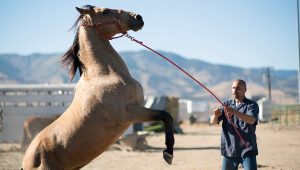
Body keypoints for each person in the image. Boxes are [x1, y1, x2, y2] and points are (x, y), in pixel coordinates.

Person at [210, 79, 259, 170]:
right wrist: (215, 115)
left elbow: (252, 120)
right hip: (230, 151)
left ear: (245, 89)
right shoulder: (226, 105)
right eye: (233, 88)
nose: (235, 90)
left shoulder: (252, 105)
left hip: (247, 150)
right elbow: (212, 122)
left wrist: (234, 112)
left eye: (238, 88)